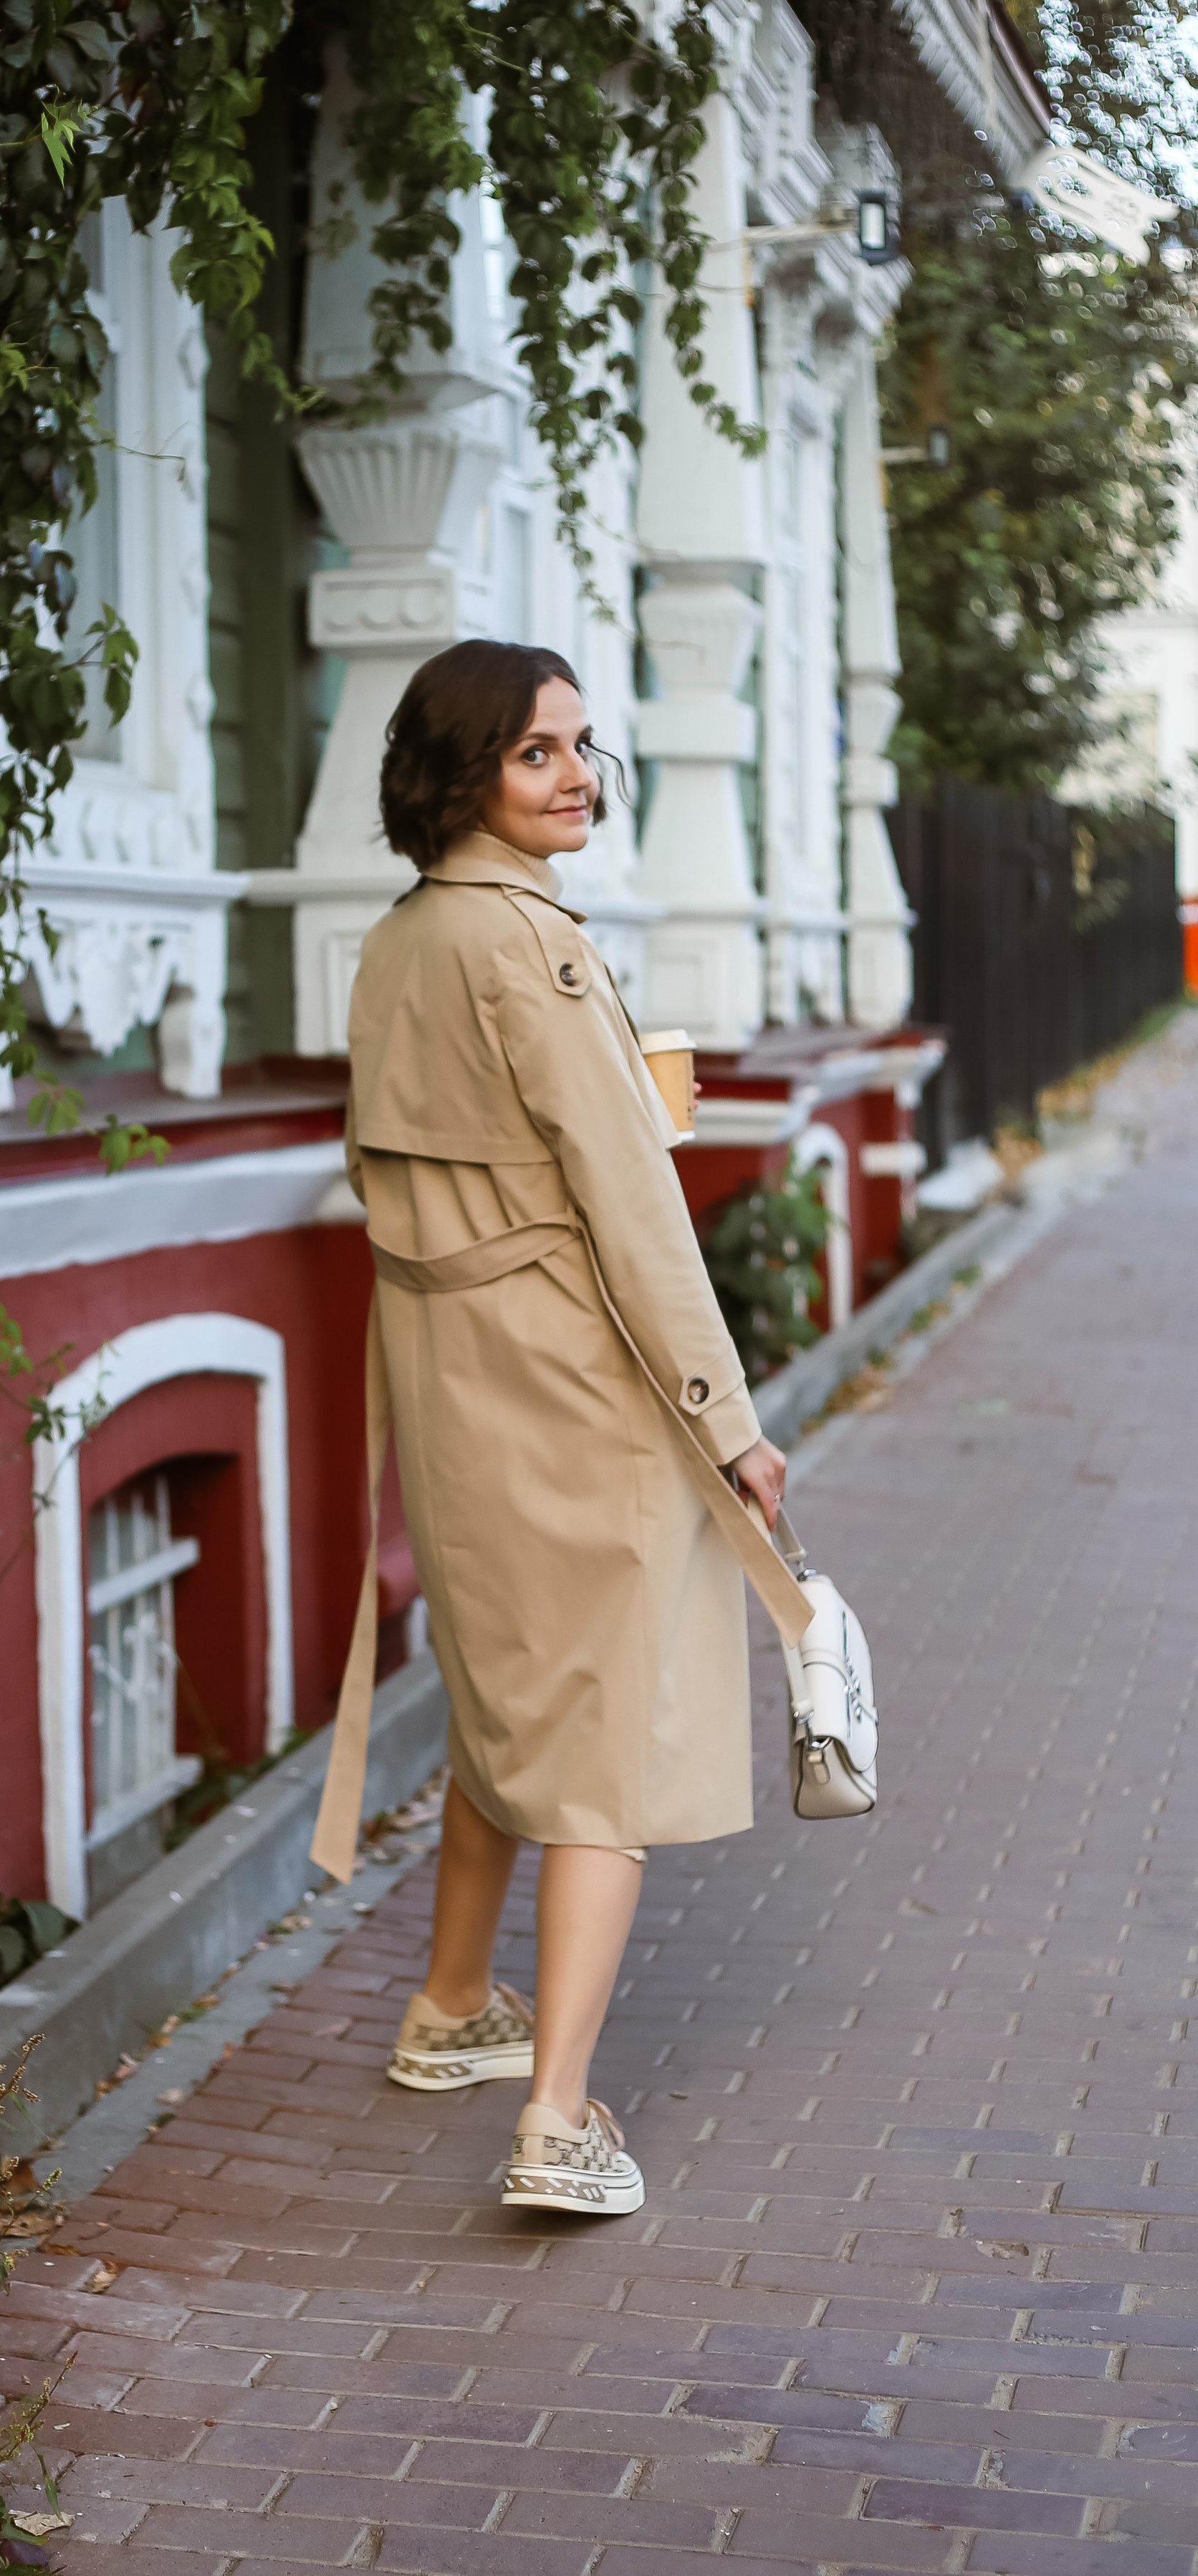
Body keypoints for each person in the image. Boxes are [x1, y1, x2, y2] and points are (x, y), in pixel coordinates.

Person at [319, 639, 792, 2217]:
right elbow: (634, 1210)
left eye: (581, 747)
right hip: (574, 1384)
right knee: (604, 1738)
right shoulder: (535, 951)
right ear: (460, 772)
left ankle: (451, 2004)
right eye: (536, 753)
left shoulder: (395, 946)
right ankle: (557, 2119)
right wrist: (725, 1421)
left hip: (451, 1384)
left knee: (505, 1688)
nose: (576, 775)